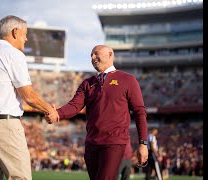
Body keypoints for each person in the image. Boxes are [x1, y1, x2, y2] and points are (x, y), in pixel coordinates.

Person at [0, 15, 59, 180]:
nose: (26, 38)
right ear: (15, 32)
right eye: (25, 33)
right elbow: (28, 96)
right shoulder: (13, 55)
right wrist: (49, 109)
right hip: (3, 125)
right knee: (20, 177)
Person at [47, 45, 149, 180]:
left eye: (96, 54)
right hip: (91, 143)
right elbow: (74, 106)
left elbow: (139, 112)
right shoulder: (87, 83)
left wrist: (143, 143)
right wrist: (57, 113)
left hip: (114, 142)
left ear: (110, 54)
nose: (93, 57)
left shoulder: (128, 80)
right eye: (91, 55)